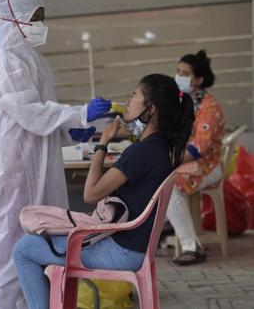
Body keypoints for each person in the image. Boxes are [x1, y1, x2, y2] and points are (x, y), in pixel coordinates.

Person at [0, 0, 111, 309]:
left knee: (37, 247)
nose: (41, 24)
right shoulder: (7, 62)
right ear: (17, 20)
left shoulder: (32, 59)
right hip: (14, 169)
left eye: (42, 17)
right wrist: (77, 113)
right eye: (36, 17)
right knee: (5, 254)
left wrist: (69, 131)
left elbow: (41, 114)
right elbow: (30, 112)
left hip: (37, 165)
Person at [12, 73, 195, 309]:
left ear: (150, 109)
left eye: (134, 96)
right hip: (136, 247)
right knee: (41, 243)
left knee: (24, 249)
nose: (129, 101)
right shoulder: (162, 148)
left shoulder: (140, 152)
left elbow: (91, 194)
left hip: (121, 250)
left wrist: (103, 143)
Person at [167, 50, 225, 266]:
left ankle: (192, 247)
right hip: (186, 163)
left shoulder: (208, 105)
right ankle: (167, 230)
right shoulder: (182, 101)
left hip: (207, 165)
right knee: (153, 179)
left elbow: (198, 148)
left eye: (185, 73)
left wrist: (169, 161)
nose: (179, 76)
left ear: (198, 80)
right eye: (178, 71)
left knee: (169, 185)